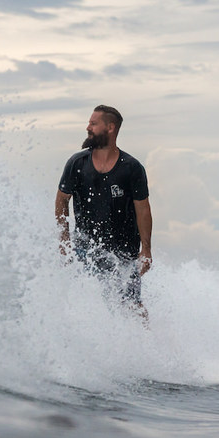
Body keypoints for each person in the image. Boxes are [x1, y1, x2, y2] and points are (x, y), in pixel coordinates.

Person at [55, 104, 152, 318]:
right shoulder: (77, 163)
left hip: (124, 252)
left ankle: (146, 344)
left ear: (110, 127)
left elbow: (143, 210)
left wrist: (146, 250)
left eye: (93, 123)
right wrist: (64, 240)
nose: (87, 127)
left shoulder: (131, 167)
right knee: (87, 305)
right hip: (86, 249)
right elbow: (61, 200)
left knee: (131, 305)